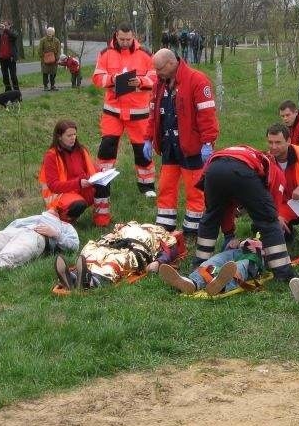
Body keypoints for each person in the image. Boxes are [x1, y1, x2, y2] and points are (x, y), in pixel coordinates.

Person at [144, 48, 219, 237]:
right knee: (166, 187)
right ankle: (164, 227)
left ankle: (193, 229)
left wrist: (207, 142)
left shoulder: (197, 80)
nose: (157, 73)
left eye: (159, 69)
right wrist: (148, 138)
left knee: (195, 189)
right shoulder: (159, 84)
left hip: (191, 147)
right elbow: (153, 115)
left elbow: (206, 115)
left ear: (171, 63)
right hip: (169, 145)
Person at [193, 145, 294, 281]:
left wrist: (229, 234)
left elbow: (225, 208)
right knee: (268, 222)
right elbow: (271, 215)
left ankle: (199, 264)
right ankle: (283, 273)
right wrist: (273, 219)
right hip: (242, 170)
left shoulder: (248, 154)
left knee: (211, 217)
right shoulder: (276, 171)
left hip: (214, 168)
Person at [92, 23, 157, 205]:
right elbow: (97, 77)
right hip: (113, 112)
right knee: (107, 149)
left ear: (133, 36)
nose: (125, 42)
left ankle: (147, 186)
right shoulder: (106, 53)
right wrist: (113, 79)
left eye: (128, 39)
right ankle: (103, 186)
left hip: (139, 112)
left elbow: (155, 77)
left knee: (142, 151)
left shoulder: (145, 54)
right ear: (116, 36)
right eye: (122, 39)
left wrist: (140, 81)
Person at [54, 221, 183, 291]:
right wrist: (106, 239)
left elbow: (170, 252)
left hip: (135, 250)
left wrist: (158, 263)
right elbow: (113, 233)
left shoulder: (165, 237)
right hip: (115, 243)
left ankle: (89, 280)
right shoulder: (130, 224)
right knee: (92, 250)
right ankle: (77, 276)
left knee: (117, 260)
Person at [39, 119, 110, 226]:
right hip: (61, 195)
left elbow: (91, 169)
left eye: (74, 134)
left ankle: (102, 222)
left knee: (104, 184)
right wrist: (78, 183)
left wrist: (101, 172)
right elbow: (53, 186)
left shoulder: (81, 150)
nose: (73, 138)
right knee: (78, 204)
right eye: (69, 135)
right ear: (59, 137)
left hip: (82, 189)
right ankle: (64, 223)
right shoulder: (51, 156)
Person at [158, 237, 264, 296]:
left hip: (258, 257)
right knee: (215, 261)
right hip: (241, 249)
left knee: (241, 266)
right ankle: (192, 283)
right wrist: (238, 241)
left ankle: (221, 285)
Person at [0, 21, 19, 91]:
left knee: (13, 76)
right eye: (2, 25)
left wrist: (6, 29)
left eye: (5, 25)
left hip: (11, 58)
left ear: (10, 26)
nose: (3, 27)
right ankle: (8, 90)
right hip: (2, 58)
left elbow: (14, 36)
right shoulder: (0, 34)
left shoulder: (12, 32)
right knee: (5, 76)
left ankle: (16, 91)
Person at [37, 26, 61, 91]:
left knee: (53, 73)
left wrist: (56, 58)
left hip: (54, 60)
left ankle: (52, 86)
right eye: (48, 32)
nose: (50, 33)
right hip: (45, 60)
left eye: (51, 32)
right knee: (45, 73)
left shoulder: (57, 41)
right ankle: (45, 86)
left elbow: (59, 50)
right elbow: (39, 50)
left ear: (53, 33)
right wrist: (43, 57)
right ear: (46, 32)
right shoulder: (43, 40)